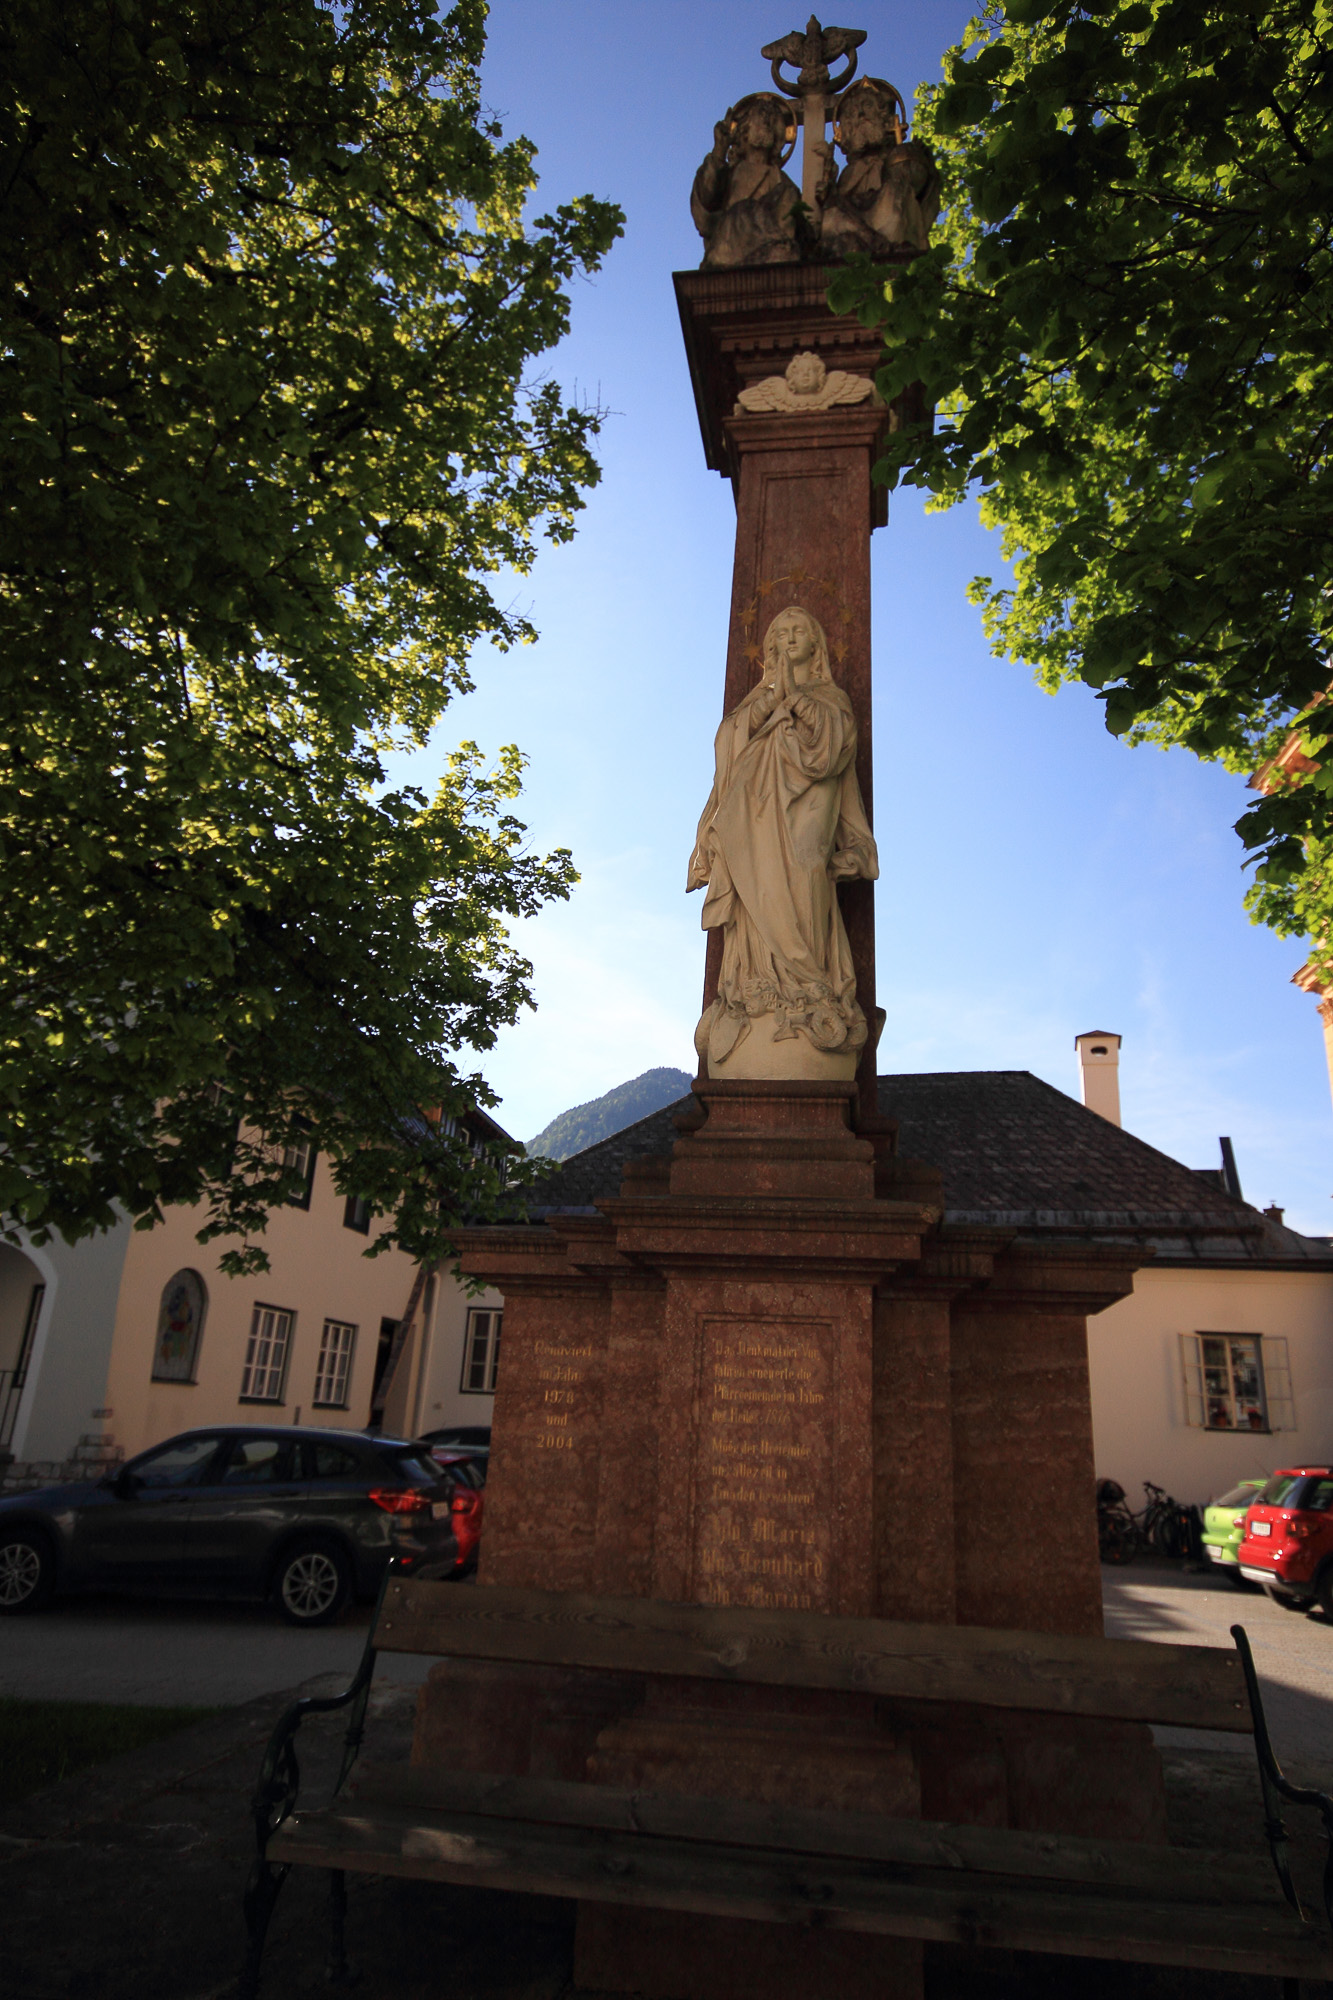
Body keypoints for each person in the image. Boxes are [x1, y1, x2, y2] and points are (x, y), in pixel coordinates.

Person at [688, 606, 878, 1076]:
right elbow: (728, 744)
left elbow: (831, 750)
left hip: (808, 810)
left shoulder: (831, 698)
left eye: (799, 631)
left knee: (807, 876)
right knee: (754, 895)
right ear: (770, 646)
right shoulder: (757, 699)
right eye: (780, 632)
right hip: (752, 816)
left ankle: (811, 988)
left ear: (816, 644)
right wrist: (767, 704)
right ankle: (762, 989)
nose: (789, 638)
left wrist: (797, 702)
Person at [819, 77, 941, 258]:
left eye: (868, 107)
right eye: (853, 114)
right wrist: (828, 183)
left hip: (884, 218)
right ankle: (877, 243)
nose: (861, 115)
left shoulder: (894, 160)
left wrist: (922, 163)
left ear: (884, 119)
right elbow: (836, 201)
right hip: (853, 221)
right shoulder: (850, 172)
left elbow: (920, 194)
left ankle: (882, 244)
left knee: (895, 194)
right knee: (831, 216)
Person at [691, 93, 804, 269]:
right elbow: (707, 199)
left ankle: (781, 249)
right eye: (760, 118)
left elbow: (799, 224)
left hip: (771, 255)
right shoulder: (729, 172)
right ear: (744, 130)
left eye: (771, 121)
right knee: (743, 211)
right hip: (729, 248)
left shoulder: (781, 181)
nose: (766, 124)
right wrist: (719, 151)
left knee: (788, 196)